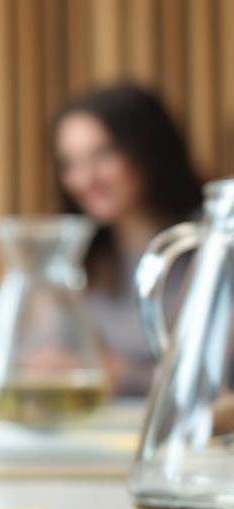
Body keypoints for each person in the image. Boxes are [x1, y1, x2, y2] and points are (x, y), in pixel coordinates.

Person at [54, 84, 205, 395]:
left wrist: (119, 374)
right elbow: (47, 349)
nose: (85, 180)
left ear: (147, 149)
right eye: (70, 164)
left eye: (104, 154)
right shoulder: (86, 261)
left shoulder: (213, 243)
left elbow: (217, 377)